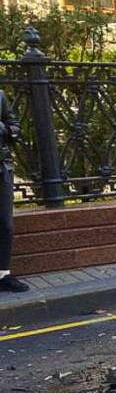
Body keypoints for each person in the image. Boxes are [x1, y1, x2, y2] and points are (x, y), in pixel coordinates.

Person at [0, 89, 28, 293]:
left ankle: (3, 275)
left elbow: (15, 127)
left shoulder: (0, 96)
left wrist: (3, 128)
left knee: (5, 224)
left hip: (2, 168)